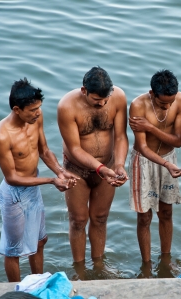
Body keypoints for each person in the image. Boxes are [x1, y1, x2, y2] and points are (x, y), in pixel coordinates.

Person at [0, 78, 78, 282]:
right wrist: (51, 181)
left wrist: (60, 172)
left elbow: (44, 151)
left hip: (33, 187)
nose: (38, 113)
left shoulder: (35, 120)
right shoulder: (1, 136)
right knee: (13, 250)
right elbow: (12, 178)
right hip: (14, 195)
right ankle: (16, 292)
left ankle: (37, 284)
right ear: (17, 109)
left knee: (40, 241)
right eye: (32, 110)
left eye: (39, 108)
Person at [57, 67, 129, 272]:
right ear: (84, 90)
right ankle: (79, 270)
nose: (102, 104)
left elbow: (121, 136)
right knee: (78, 221)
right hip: (77, 169)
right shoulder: (66, 106)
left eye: (105, 99)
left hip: (108, 165)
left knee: (100, 218)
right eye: (97, 100)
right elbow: (74, 148)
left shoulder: (119, 97)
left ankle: (98, 266)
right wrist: (99, 168)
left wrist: (119, 165)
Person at [128, 69, 181, 274]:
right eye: (163, 104)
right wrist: (165, 164)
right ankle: (146, 265)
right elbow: (142, 147)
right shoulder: (138, 105)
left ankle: (166, 259)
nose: (167, 106)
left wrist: (151, 128)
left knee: (166, 212)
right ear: (152, 93)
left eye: (170, 102)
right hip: (144, 161)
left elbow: (178, 141)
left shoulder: (179, 100)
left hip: (169, 159)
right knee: (144, 217)